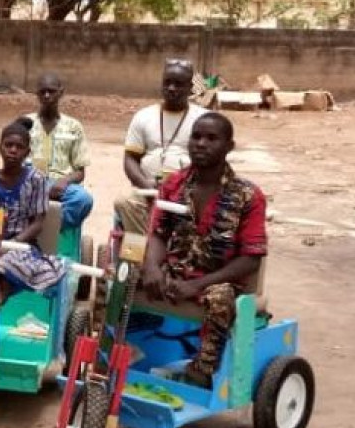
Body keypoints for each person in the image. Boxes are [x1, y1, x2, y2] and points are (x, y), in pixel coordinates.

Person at [140, 113, 267, 388]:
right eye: (196, 137)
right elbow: (159, 234)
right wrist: (152, 268)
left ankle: (201, 372)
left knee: (220, 296)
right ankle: (115, 354)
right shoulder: (173, 185)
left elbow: (251, 258)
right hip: (175, 273)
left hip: (218, 282)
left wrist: (196, 285)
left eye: (211, 138)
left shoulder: (248, 196)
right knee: (120, 272)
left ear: (229, 146)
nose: (201, 144)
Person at [0, 118, 66, 305]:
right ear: (0, 148)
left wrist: (10, 244)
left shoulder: (37, 180)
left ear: (27, 152)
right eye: (9, 145)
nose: (13, 150)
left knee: (9, 263)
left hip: (22, 245)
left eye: (19, 147)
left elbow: (38, 223)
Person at [115, 59, 209, 233]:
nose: (171, 88)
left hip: (189, 192)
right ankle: (141, 252)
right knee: (124, 201)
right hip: (149, 190)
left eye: (178, 84)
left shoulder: (204, 120)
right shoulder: (143, 116)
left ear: (190, 88)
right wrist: (145, 184)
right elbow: (130, 159)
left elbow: (211, 162)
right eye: (167, 82)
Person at [25, 72, 93, 229]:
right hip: (30, 184)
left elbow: (80, 171)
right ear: (37, 94)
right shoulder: (25, 123)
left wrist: (64, 181)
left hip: (61, 185)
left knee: (83, 199)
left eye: (51, 91)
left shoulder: (73, 127)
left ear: (61, 93)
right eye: (42, 92)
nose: (47, 95)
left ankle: (51, 230)